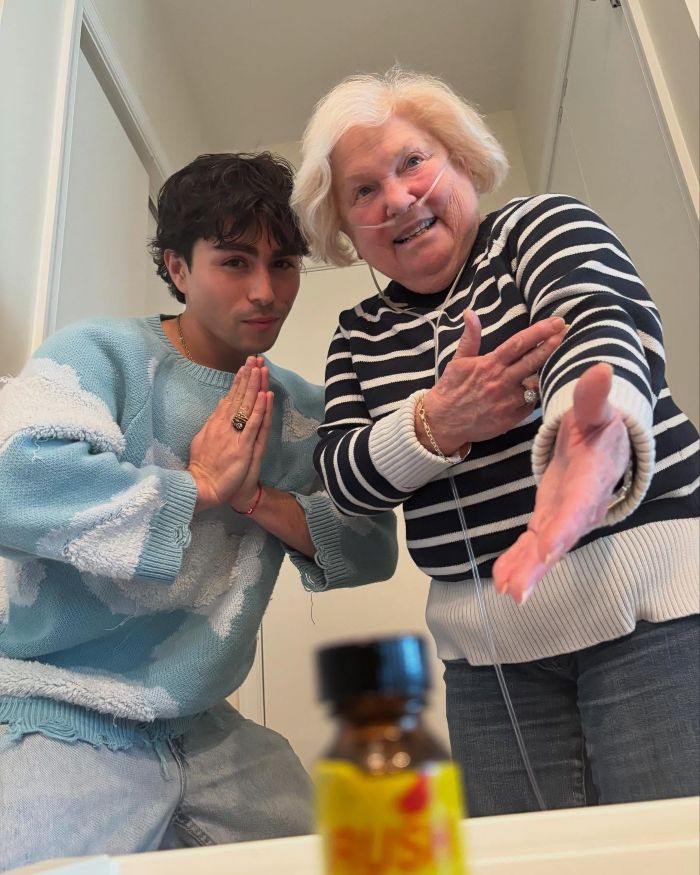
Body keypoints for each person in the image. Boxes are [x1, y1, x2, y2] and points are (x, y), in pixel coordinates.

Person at [291, 69, 700, 816]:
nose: (398, 198)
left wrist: (588, 435)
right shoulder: (357, 335)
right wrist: (435, 424)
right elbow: (342, 478)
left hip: (653, 616)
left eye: (413, 161)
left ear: (460, 159)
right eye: (363, 191)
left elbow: (600, 322)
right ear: (345, 229)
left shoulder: (539, 227)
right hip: (490, 666)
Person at [0, 152, 398, 869]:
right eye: (235, 262)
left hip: (207, 725)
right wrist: (198, 485)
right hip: (58, 706)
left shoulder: (302, 410)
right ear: (178, 267)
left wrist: (258, 497)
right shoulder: (101, 354)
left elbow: (371, 546)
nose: (265, 291)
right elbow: (14, 484)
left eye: (283, 265)